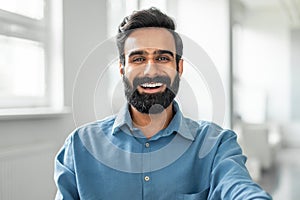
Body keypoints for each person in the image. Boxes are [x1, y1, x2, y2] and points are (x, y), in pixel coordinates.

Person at [54, 7, 272, 200]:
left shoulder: (216, 145)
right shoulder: (79, 146)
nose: (151, 70)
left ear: (179, 68)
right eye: (138, 59)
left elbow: (239, 188)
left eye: (162, 58)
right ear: (122, 69)